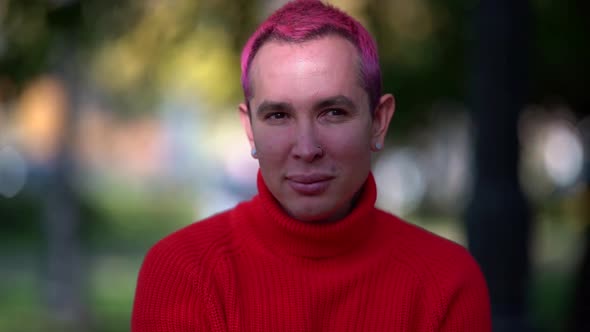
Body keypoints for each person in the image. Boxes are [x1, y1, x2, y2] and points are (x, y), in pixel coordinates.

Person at [131, 1, 492, 331]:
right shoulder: (183, 273)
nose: (306, 148)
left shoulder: (446, 282)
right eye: (278, 115)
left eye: (333, 113)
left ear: (379, 121)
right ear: (250, 130)